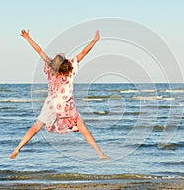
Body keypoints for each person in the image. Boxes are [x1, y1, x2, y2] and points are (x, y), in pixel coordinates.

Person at [10, 29, 110, 160]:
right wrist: (95, 40)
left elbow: (39, 50)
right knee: (82, 128)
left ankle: (18, 148)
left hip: (51, 103)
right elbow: (84, 52)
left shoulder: (50, 67)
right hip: (66, 104)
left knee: (36, 127)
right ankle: (100, 154)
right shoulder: (71, 68)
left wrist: (28, 38)